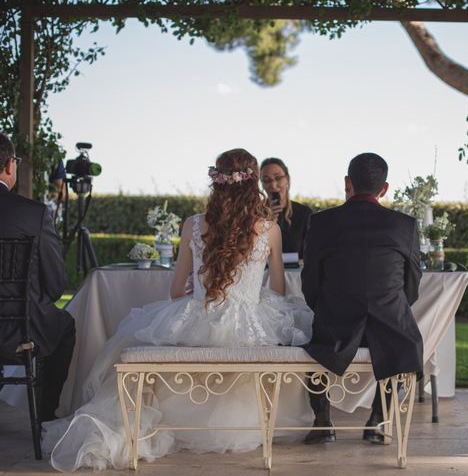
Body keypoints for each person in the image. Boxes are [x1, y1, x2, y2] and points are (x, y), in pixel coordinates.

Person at [43, 148, 314, 471]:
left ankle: (160, 423)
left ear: (217, 181)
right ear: (253, 183)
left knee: (142, 341)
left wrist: (202, 293)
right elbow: (279, 290)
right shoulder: (269, 228)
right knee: (293, 329)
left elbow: (175, 290)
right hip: (250, 323)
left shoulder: (193, 225)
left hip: (197, 317)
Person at [301, 152, 423, 444]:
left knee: (312, 344)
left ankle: (322, 421)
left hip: (336, 326)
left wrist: (327, 307)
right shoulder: (404, 225)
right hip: (391, 327)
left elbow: (310, 284)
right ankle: (378, 420)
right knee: (407, 340)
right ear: (384, 189)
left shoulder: (321, 222)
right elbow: (412, 286)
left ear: (348, 183)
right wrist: (389, 307)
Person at [0, 133, 76, 422]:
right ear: (9, 165)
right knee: (64, 326)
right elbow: (56, 286)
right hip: (18, 330)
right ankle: (44, 419)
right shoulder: (34, 213)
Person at [260, 158, 312, 259]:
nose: (273, 185)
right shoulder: (254, 213)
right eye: (266, 180)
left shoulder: (304, 213)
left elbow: (310, 252)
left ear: (287, 179)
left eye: (278, 178)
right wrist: (268, 223)